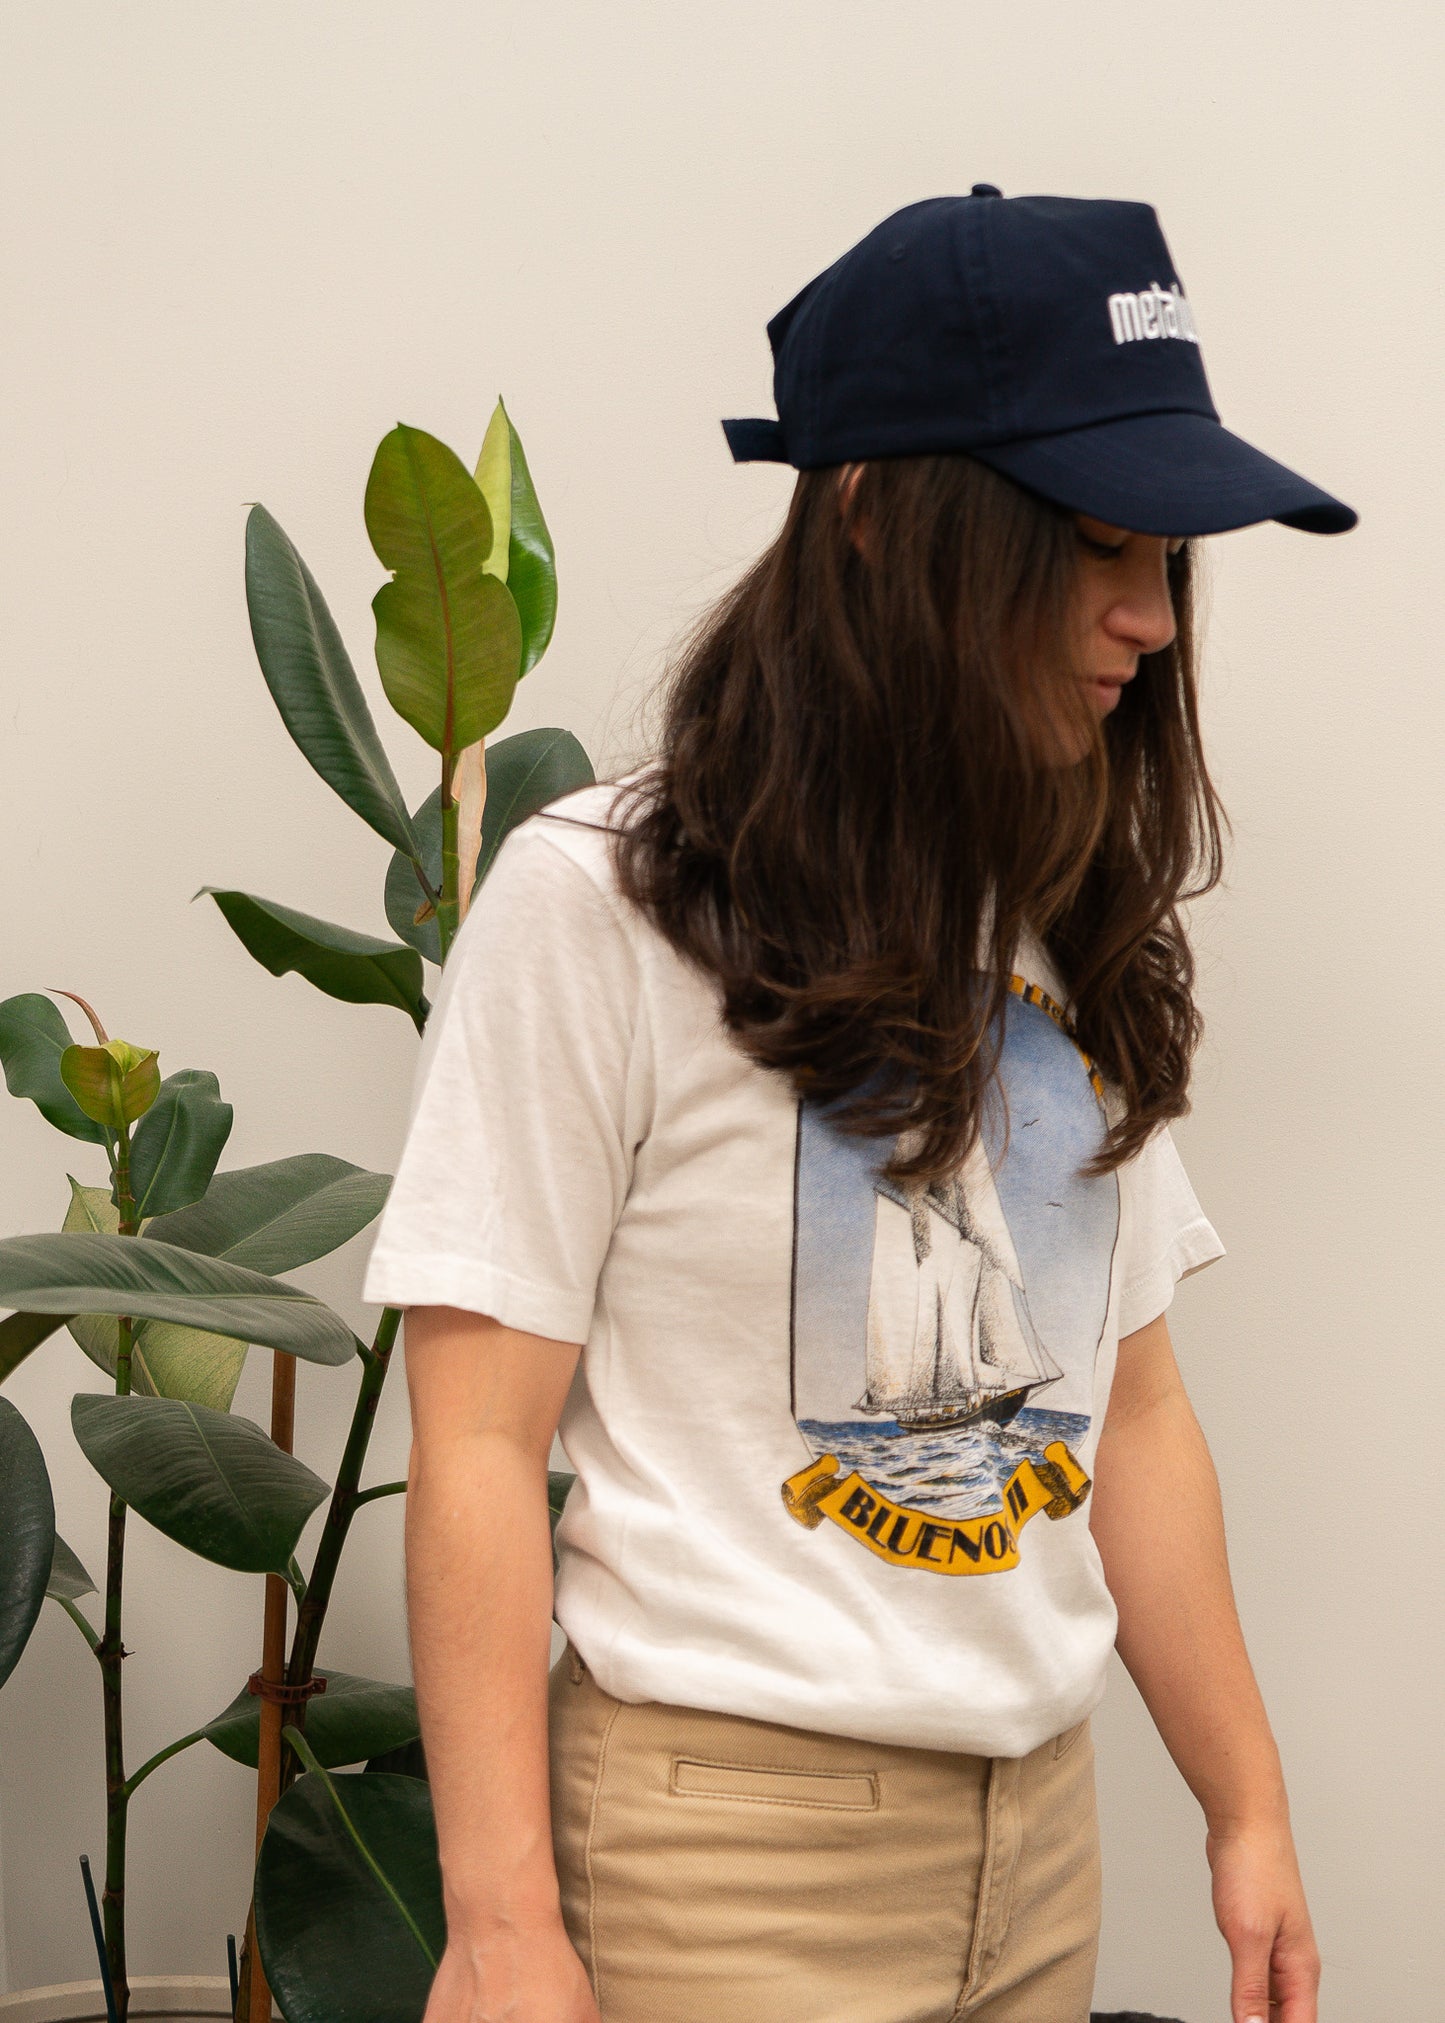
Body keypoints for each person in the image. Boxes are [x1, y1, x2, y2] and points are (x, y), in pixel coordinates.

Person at [362, 189, 1356, 2023]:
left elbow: (1129, 1410)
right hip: (723, 1856)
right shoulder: (601, 904)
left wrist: (1247, 1806)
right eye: (1097, 544)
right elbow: (482, 1439)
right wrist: (503, 1927)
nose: (1148, 616)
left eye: (1171, 556)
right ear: (881, 517)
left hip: (1037, 1840)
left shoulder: (1054, 909)